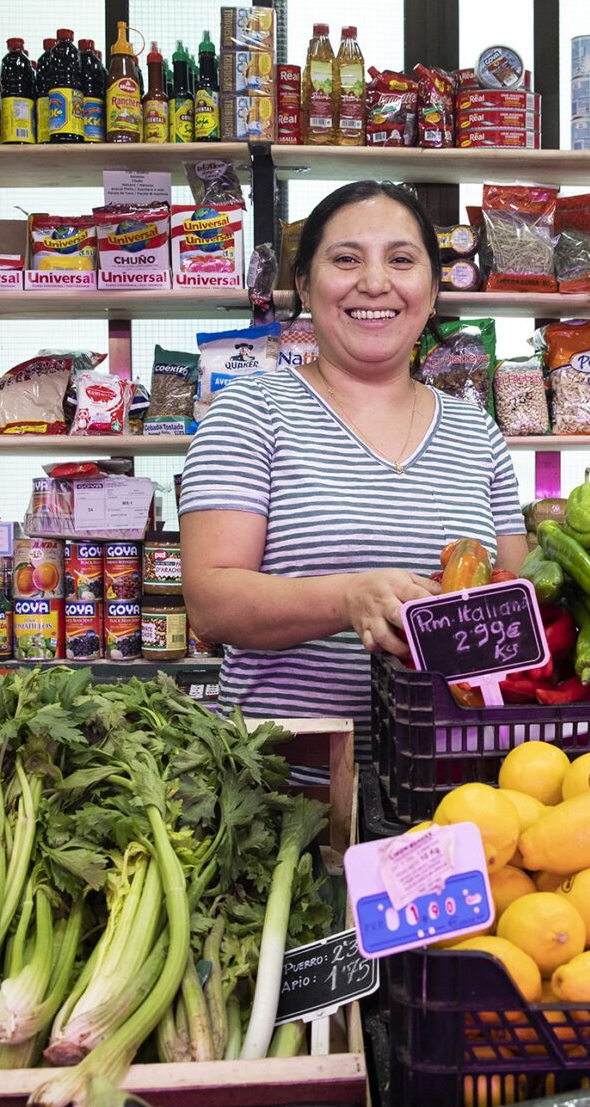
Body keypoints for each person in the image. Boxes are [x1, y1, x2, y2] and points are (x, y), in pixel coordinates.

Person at [179, 180, 526, 744]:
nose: (374, 282)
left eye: (401, 260)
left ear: (432, 291)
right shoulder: (249, 411)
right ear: (304, 285)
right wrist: (349, 599)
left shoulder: (476, 430)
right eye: (346, 259)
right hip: (289, 776)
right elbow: (210, 603)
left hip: (454, 774)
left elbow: (516, 601)